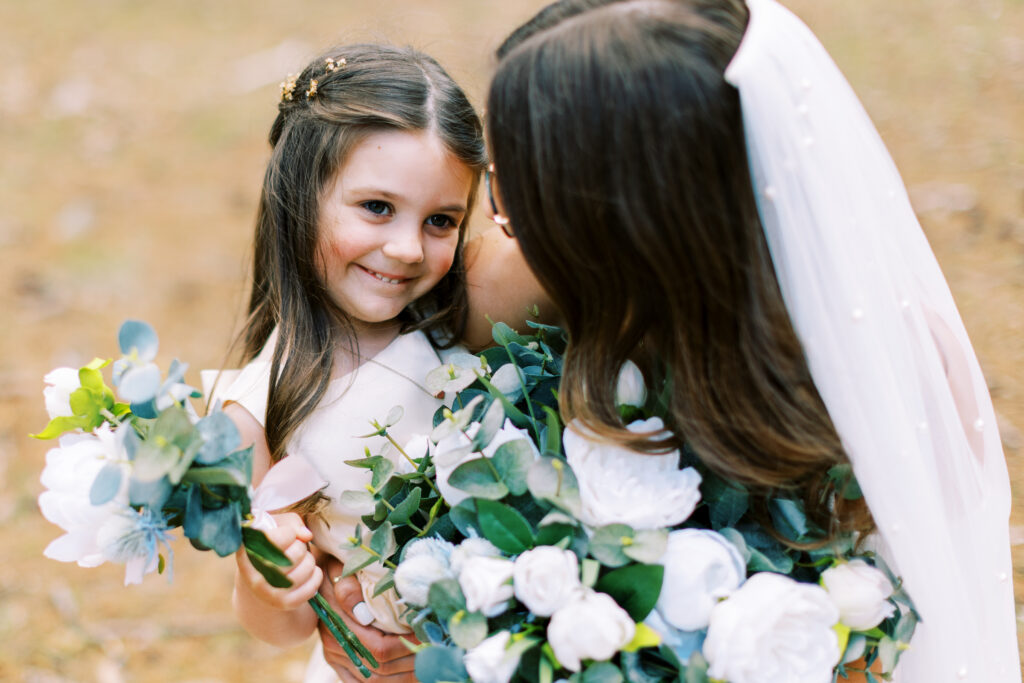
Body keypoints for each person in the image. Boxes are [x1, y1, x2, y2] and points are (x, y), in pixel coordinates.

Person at [473, 0, 1020, 681]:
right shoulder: (512, 287)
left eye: (509, 191)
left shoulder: (883, 374)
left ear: (608, 221)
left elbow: (906, 634)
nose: (499, 222)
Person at [213, 42, 493, 682]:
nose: (406, 249)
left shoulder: (466, 320)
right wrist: (265, 581)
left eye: (441, 220)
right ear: (300, 194)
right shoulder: (258, 406)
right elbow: (281, 628)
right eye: (377, 207)